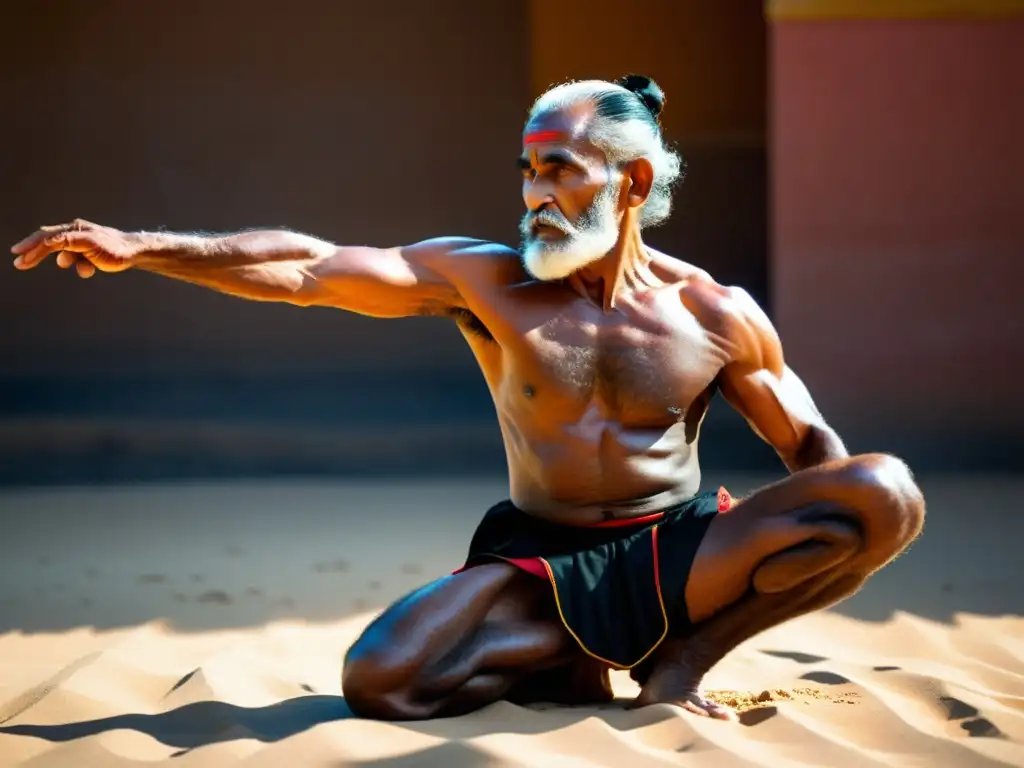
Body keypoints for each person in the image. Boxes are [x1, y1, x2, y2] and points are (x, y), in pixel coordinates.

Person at [10, 74, 925, 722]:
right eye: (529, 171)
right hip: (540, 560)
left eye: (561, 169)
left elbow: (813, 454)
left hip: (680, 557)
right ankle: (574, 652)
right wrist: (146, 245)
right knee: (382, 681)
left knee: (882, 494)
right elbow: (307, 267)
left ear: (632, 182)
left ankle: (676, 661)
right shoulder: (481, 280)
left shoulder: (715, 313)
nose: (536, 195)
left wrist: (791, 556)